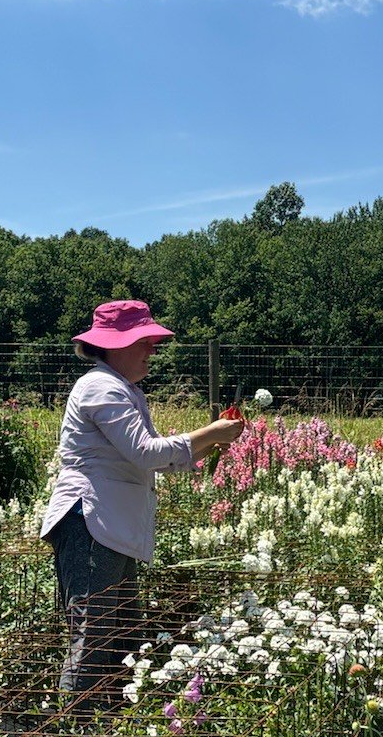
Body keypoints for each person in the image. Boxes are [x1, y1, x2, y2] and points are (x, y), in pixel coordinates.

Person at [39, 299, 242, 701]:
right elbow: (147, 452)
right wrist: (212, 432)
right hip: (90, 523)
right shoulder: (99, 385)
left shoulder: (122, 388)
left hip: (111, 527)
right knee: (93, 637)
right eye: (144, 341)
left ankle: (106, 726)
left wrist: (213, 441)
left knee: (123, 634)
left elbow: (155, 458)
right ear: (115, 345)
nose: (152, 350)